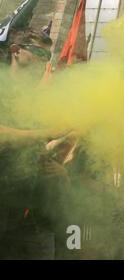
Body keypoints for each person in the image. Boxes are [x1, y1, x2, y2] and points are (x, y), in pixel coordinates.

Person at [0, 27, 69, 259]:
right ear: (16, 50)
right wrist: (45, 133)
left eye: (47, 57)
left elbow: (33, 148)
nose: (43, 62)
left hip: (31, 214)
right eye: (38, 53)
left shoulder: (35, 98)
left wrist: (56, 169)